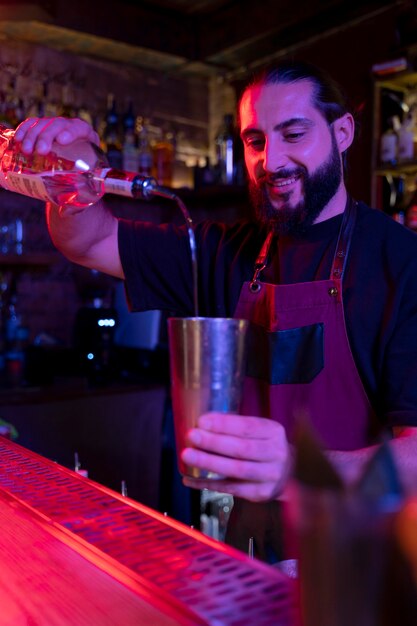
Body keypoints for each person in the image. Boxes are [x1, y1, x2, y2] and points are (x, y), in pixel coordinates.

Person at [15, 60, 417, 564]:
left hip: (366, 570)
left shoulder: (401, 263)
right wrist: (71, 167)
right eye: (255, 141)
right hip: (249, 559)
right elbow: (90, 240)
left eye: (294, 134)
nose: (272, 160)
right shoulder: (221, 252)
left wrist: (297, 470)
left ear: (343, 133)